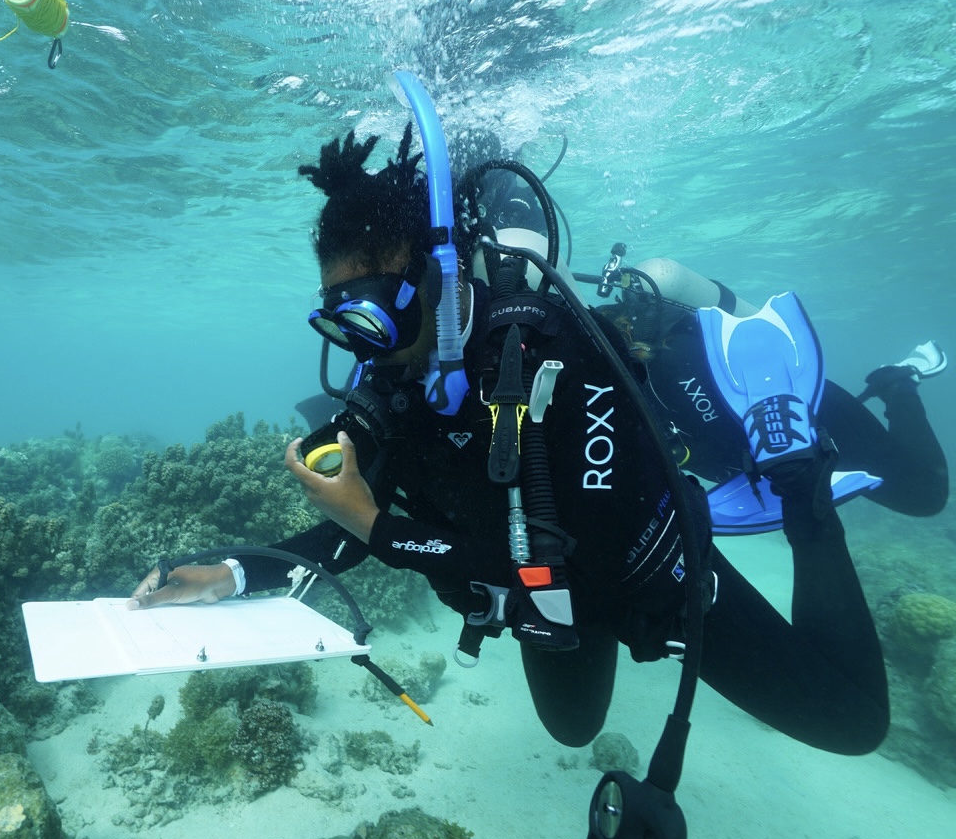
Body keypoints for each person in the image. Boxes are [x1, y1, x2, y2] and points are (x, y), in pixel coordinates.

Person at [129, 125, 889, 759]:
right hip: (544, 590)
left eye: (372, 314)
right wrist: (232, 571)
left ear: (437, 280)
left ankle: (801, 488)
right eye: (339, 316)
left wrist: (380, 526)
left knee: (851, 721)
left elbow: (581, 558)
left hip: (644, 567)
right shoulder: (397, 376)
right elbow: (352, 521)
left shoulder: (551, 350)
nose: (363, 346)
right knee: (572, 728)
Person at [591, 257, 948, 527]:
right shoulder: (620, 386)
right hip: (778, 456)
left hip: (810, 412)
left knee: (924, 497)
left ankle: (899, 382)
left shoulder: (658, 357)